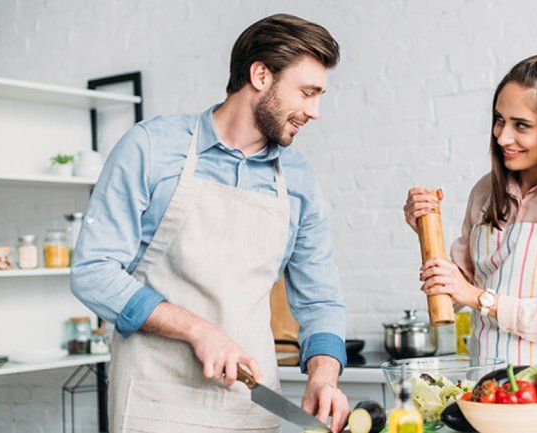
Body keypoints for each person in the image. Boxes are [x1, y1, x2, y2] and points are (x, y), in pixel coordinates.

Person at [71, 14, 349, 433]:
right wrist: (198, 330)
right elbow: (93, 272)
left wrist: (323, 376)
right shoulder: (152, 149)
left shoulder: (299, 182)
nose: (315, 111)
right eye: (307, 93)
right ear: (260, 75)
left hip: (249, 408)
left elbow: (321, 301)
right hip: (155, 402)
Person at [403, 53, 537, 414]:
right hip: (486, 399)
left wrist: (482, 300)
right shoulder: (486, 193)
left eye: (521, 125)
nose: (502, 136)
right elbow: (456, 292)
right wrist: (424, 231)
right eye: (499, 120)